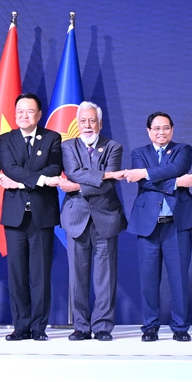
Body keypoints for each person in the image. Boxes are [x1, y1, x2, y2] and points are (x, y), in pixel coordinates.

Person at [126, 111, 192, 342]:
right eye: (156, 128)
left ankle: (180, 327)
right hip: (148, 224)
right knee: (149, 279)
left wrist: (148, 174)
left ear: (172, 129)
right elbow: (144, 182)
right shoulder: (139, 153)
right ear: (148, 131)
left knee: (179, 278)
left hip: (177, 223)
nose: (161, 132)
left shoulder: (183, 149)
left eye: (166, 128)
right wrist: (176, 182)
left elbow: (177, 168)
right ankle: (150, 326)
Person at [0, 93, 63, 341]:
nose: (24, 116)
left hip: (42, 216)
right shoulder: (5, 139)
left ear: (39, 114)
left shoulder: (52, 138)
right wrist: (41, 180)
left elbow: (54, 168)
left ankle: (39, 328)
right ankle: (21, 326)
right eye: (20, 112)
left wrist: (21, 182)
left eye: (29, 111)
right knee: (17, 273)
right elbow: (9, 168)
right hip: (14, 217)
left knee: (40, 274)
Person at [59, 102, 127, 342]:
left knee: (105, 277)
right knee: (77, 275)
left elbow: (108, 185)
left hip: (105, 217)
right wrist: (104, 174)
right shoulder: (67, 146)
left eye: (92, 121)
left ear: (100, 123)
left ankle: (102, 327)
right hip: (76, 217)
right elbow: (73, 171)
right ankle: (80, 326)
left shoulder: (113, 147)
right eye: (83, 121)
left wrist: (77, 186)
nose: (87, 125)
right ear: (77, 124)